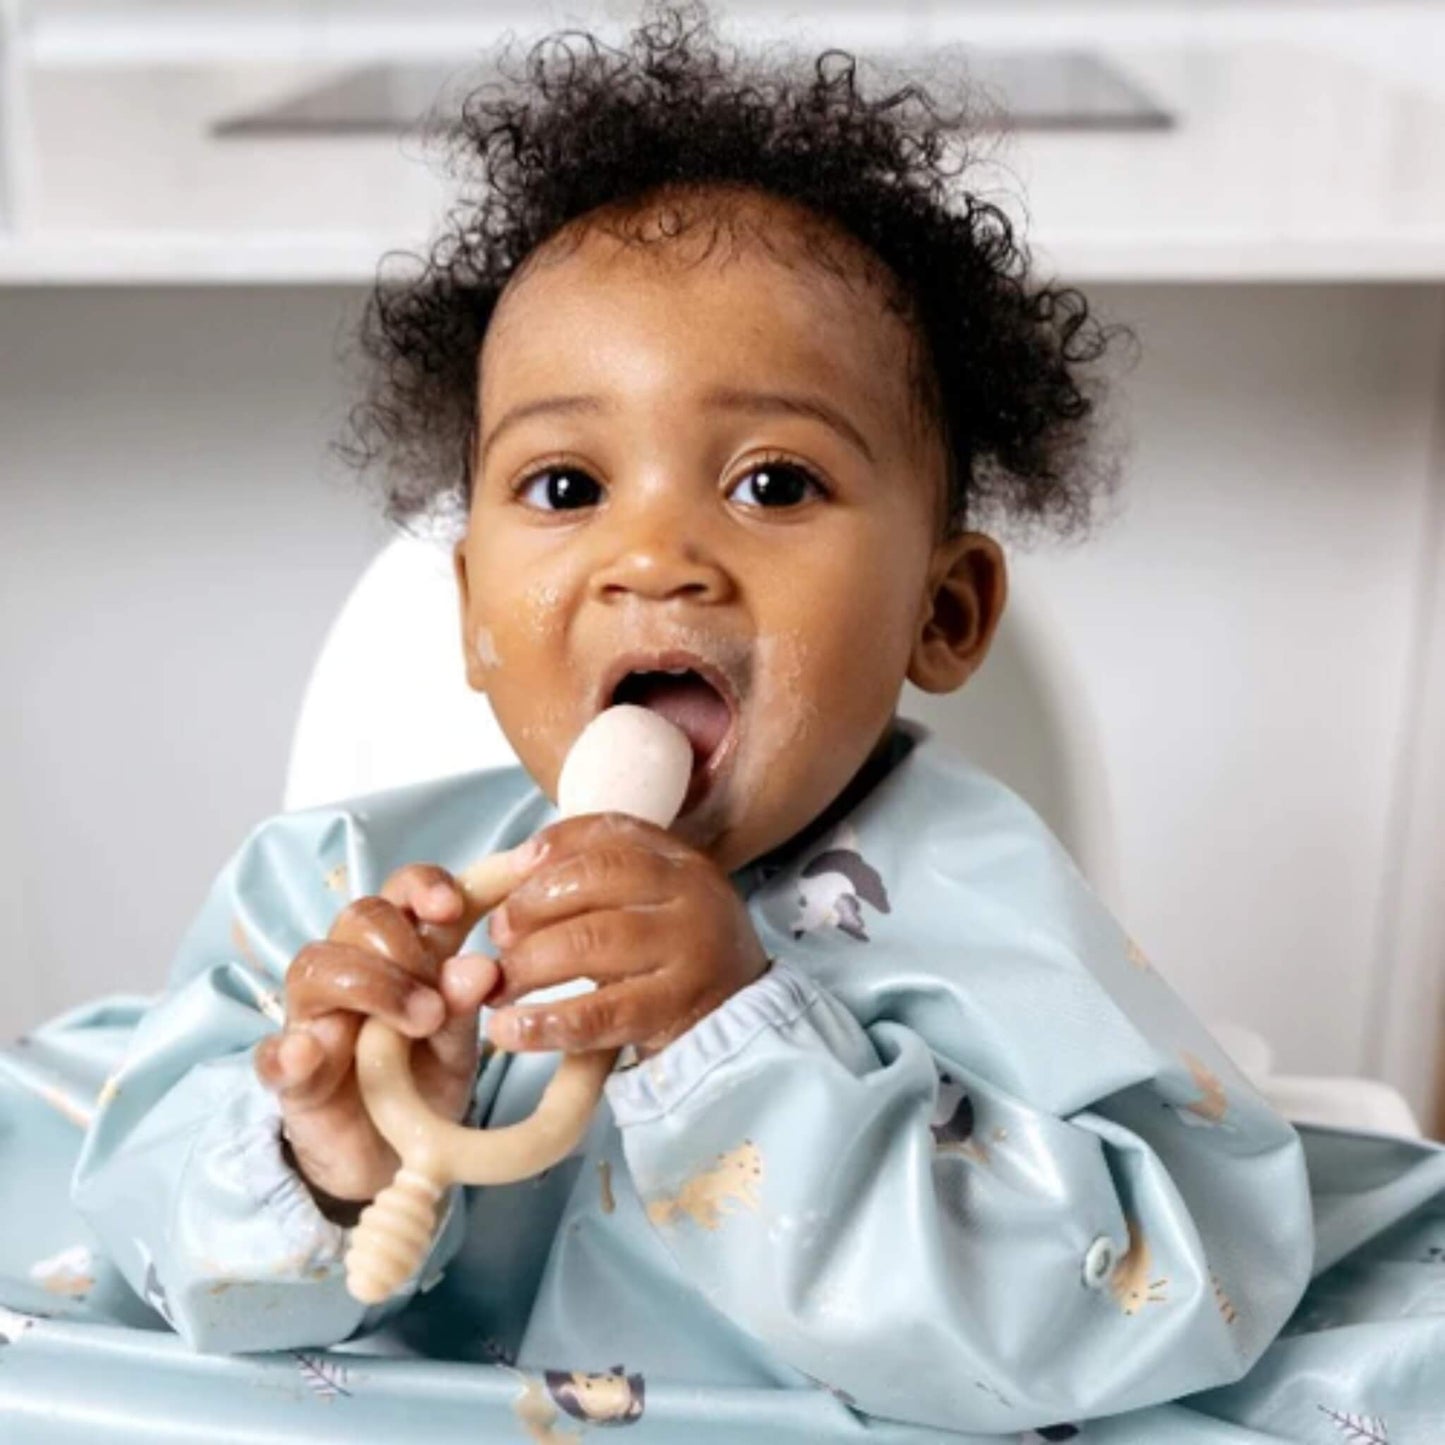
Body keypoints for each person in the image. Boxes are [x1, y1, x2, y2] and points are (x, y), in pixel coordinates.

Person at [2, 6, 1443, 1442]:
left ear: (941, 613)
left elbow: (1136, 1288)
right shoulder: (331, 885)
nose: (657, 557)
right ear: (469, 614)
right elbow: (155, 1245)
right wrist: (330, 1153)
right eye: (566, 487)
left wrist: (733, 1038)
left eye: (771, 483)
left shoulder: (991, 913)